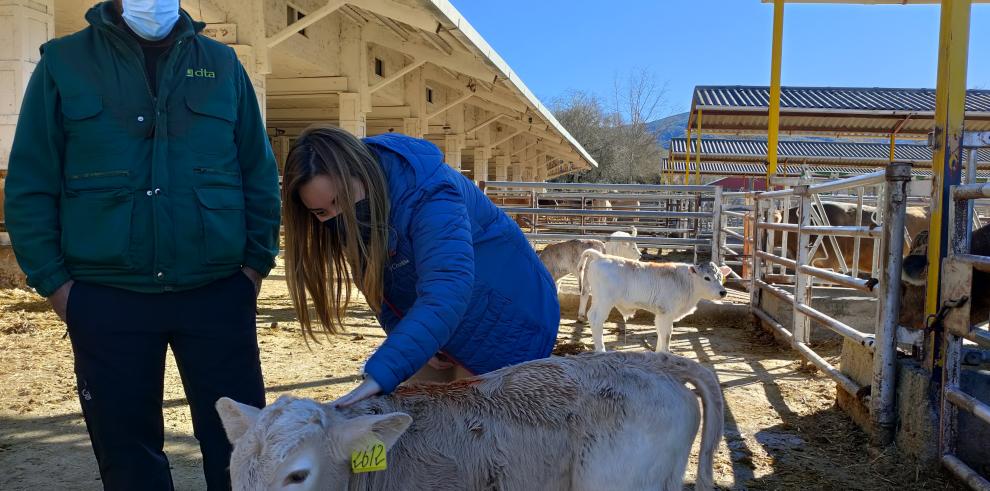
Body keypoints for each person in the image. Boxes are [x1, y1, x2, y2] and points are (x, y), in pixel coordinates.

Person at [3, 0, 280, 489]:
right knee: (126, 455)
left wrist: (254, 268)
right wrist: (58, 287)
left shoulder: (221, 63)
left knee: (241, 450)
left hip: (215, 292)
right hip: (106, 297)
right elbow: (30, 182)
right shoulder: (63, 63)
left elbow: (257, 173)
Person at [282, 126, 560, 405]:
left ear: (360, 173)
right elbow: (384, 292)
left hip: (507, 313)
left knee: (473, 425)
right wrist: (419, 345)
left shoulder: (428, 192)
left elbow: (448, 285)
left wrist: (382, 374)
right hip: (453, 314)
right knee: (423, 412)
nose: (336, 216)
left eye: (340, 199)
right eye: (321, 212)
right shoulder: (362, 218)